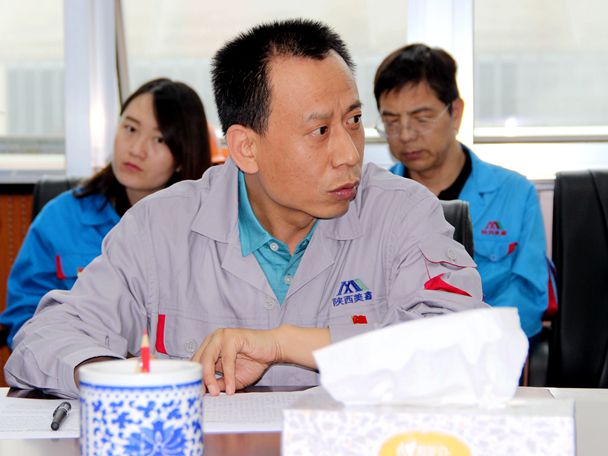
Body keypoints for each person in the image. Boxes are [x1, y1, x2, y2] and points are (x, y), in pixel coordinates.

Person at [5, 20, 487, 399]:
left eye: (355, 120)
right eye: (320, 131)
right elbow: (43, 339)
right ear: (246, 148)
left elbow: (472, 345)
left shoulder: (403, 213)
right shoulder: (161, 226)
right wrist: (125, 381)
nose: (349, 153)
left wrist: (284, 344)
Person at [0, 78, 212, 348]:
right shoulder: (61, 218)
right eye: (130, 128)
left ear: (184, 155)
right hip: (76, 369)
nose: (136, 149)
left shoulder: (206, 228)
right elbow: (25, 318)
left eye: (159, 139)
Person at [373, 44, 549, 340]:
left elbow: (528, 297)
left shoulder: (515, 194)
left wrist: (467, 341)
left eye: (421, 119)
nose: (405, 135)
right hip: (401, 351)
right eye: (391, 122)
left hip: (487, 349)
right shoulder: (374, 200)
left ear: (455, 113)